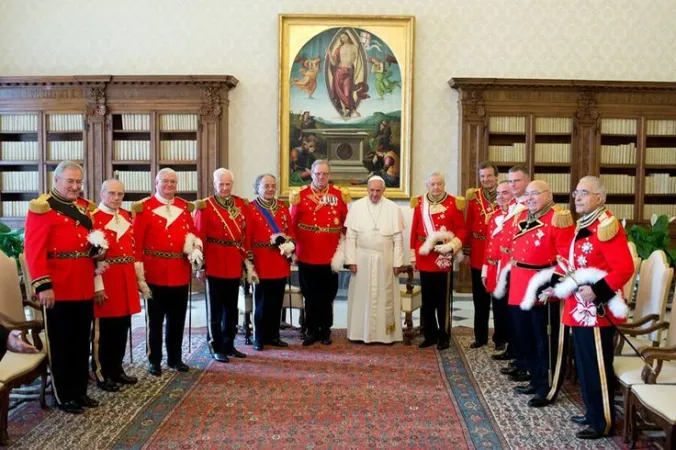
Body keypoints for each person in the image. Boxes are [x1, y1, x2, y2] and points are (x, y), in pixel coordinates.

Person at [549, 176, 634, 440]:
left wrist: (598, 290)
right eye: (576, 192)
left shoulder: (606, 226)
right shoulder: (585, 224)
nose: (578, 197)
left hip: (597, 311)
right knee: (585, 365)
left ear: (601, 197)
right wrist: (557, 286)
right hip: (578, 308)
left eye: (584, 193)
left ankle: (602, 422)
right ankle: (592, 411)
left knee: (597, 367)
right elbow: (574, 263)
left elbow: (624, 268)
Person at [25, 160, 108, 414]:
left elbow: (88, 244)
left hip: (82, 284)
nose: (75, 186)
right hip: (57, 287)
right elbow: (34, 251)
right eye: (70, 181)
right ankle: (63, 395)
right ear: (57, 181)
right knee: (61, 343)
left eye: (78, 182)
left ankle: (79, 391)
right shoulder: (43, 208)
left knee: (81, 341)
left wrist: (97, 250)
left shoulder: (84, 208)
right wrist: (43, 286)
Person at [509, 180, 574, 408]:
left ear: (549, 194)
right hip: (520, 285)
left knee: (544, 341)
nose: (529, 198)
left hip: (542, 287)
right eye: (527, 194)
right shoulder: (523, 216)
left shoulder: (558, 218)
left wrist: (553, 287)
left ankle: (548, 387)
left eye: (535, 194)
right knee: (525, 337)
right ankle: (535, 379)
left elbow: (566, 259)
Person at [132, 168, 203, 376]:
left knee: (177, 319)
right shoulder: (144, 208)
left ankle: (175, 358)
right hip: (154, 272)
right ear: (156, 183)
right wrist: (138, 273)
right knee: (155, 321)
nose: (169, 185)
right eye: (165, 181)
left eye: (173, 182)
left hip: (179, 271)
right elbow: (137, 243)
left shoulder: (183, 207)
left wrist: (196, 247)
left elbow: (193, 233)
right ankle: (154, 360)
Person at [194, 168, 251, 363]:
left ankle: (229, 344)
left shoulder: (240, 204)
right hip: (214, 262)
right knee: (215, 310)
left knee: (231, 309)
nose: (225, 188)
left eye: (228, 184)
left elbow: (245, 235)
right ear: (214, 184)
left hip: (233, 261)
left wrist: (246, 261)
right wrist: (200, 266)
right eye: (221, 184)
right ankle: (215, 345)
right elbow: (199, 237)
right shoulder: (205, 206)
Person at [290, 160, 349, 346]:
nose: (321, 177)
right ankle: (311, 330)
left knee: (328, 294)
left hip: (330, 254)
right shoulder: (300, 195)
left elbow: (345, 225)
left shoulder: (339, 195)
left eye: (325, 174)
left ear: (329, 175)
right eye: (317, 174)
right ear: (312, 174)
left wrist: (346, 250)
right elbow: (292, 225)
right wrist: (292, 250)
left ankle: (325, 330)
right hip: (307, 252)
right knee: (310, 295)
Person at [91, 179, 142, 392]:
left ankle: (117, 368)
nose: (116, 198)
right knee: (104, 331)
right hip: (106, 279)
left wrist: (138, 280)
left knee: (122, 327)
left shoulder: (126, 216)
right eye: (112, 193)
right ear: (102, 194)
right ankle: (102, 372)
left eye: (120, 194)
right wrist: (97, 286)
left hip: (126, 278)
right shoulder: (93, 218)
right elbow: (92, 258)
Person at [345, 176, 405, 344]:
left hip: (385, 259)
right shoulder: (357, 207)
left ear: (384, 190)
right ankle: (359, 333)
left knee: (384, 297)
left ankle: (385, 335)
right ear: (367, 189)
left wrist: (398, 262)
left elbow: (398, 239)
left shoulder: (393, 208)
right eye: (371, 190)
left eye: (378, 191)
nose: (375, 194)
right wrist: (351, 260)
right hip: (361, 259)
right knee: (361, 297)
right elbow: (350, 237)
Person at [410, 172, 467, 350]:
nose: (436, 187)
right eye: (433, 184)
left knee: (442, 300)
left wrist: (451, 246)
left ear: (444, 185)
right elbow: (414, 231)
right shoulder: (419, 203)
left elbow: (462, 230)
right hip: (425, 256)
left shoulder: (454, 203)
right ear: (427, 186)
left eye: (439, 183)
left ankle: (444, 335)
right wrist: (413, 256)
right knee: (427, 300)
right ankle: (430, 335)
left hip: (443, 257)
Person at [246, 174, 295, 351]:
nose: (270, 189)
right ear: (258, 187)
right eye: (266, 186)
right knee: (261, 302)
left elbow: (290, 231)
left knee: (276, 301)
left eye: (273, 186)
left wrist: (291, 245)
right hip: (260, 260)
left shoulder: (282, 207)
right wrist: (249, 262)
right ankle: (258, 337)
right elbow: (247, 236)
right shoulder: (250, 208)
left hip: (279, 260)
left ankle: (274, 335)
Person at [493, 165, 530, 376]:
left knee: (522, 319)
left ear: (527, 181)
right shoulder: (514, 206)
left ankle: (524, 362)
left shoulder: (528, 206)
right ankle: (517, 357)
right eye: (511, 181)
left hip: (522, 269)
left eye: (517, 181)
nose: (513, 184)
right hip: (509, 266)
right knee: (513, 317)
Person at [463, 161, 498, 349]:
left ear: (496, 177)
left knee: (499, 299)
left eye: (489, 175)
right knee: (480, 298)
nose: (486, 179)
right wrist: (467, 251)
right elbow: (468, 225)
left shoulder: (505, 195)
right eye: (482, 176)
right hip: (478, 252)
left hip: (498, 254)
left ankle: (500, 338)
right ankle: (480, 336)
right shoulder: (474, 197)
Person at [480, 180, 512, 353]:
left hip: (507, 269)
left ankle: (509, 341)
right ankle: (499, 338)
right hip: (493, 268)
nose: (500, 197)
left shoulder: (517, 215)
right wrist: (485, 269)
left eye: (504, 193)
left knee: (508, 307)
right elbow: (488, 243)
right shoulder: (495, 216)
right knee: (497, 306)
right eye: (498, 193)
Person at [327, 32, 366, 119]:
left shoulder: (354, 47)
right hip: (339, 72)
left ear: (348, 36)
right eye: (342, 37)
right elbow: (333, 63)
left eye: (345, 36)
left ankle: (353, 110)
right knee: (339, 93)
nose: (343, 38)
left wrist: (356, 74)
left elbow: (360, 62)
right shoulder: (339, 48)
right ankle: (345, 112)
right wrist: (329, 54)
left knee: (347, 93)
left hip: (349, 72)